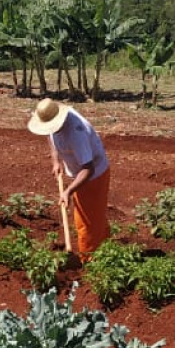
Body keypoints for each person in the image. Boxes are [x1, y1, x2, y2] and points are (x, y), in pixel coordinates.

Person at [27, 98, 110, 261]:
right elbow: (50, 134)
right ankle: (104, 251)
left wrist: (68, 191)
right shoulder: (53, 119)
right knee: (94, 219)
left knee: (87, 223)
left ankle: (89, 263)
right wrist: (55, 160)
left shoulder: (76, 133)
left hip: (93, 177)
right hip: (81, 174)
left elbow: (88, 168)